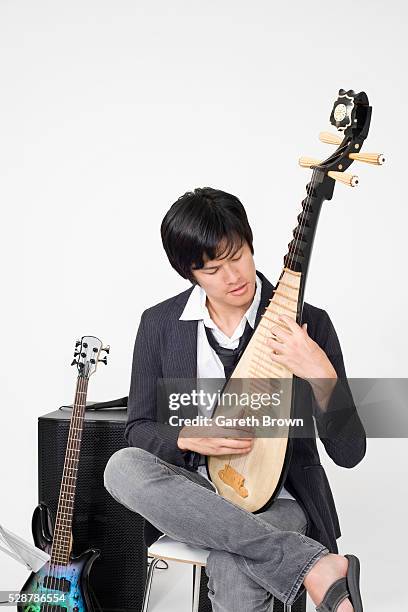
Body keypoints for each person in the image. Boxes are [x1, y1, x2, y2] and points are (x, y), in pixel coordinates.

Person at [104, 187, 366, 611]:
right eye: (212, 269)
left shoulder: (309, 323)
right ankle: (315, 567)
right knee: (120, 468)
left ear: (250, 243)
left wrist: (320, 373)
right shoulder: (159, 324)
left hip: (282, 497)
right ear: (189, 274)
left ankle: (295, 559)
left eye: (237, 255)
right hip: (196, 495)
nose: (233, 277)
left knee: (232, 564)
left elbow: (350, 452)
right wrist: (189, 437)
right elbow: (139, 429)